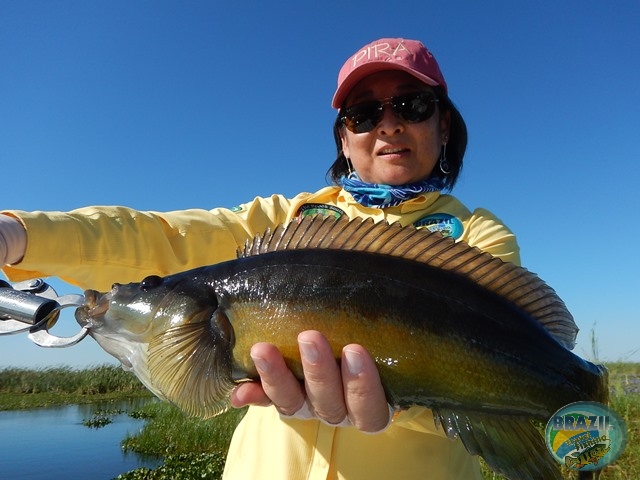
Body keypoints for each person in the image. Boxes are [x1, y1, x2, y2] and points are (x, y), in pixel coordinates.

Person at [0, 38, 520, 479]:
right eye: (363, 114)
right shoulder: (286, 221)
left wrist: (401, 408)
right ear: (344, 137)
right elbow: (162, 238)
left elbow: (497, 375)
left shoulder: (478, 237)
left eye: (411, 105)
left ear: (444, 125)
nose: (387, 126)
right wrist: (19, 237)